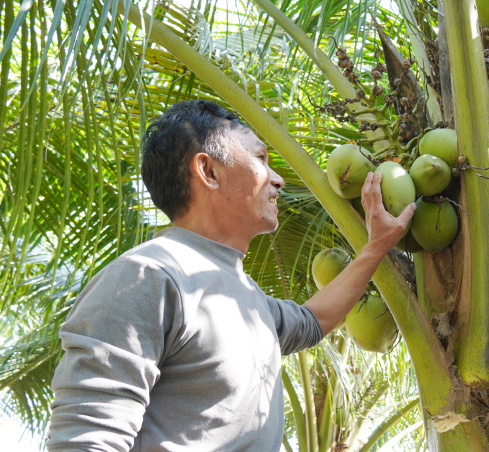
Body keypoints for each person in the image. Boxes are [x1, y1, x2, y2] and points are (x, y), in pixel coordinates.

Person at [46, 100, 415, 451]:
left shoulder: (245, 296)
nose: (278, 180)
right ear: (208, 171)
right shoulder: (147, 276)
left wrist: (376, 246)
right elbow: (85, 439)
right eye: (260, 159)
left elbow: (313, 319)